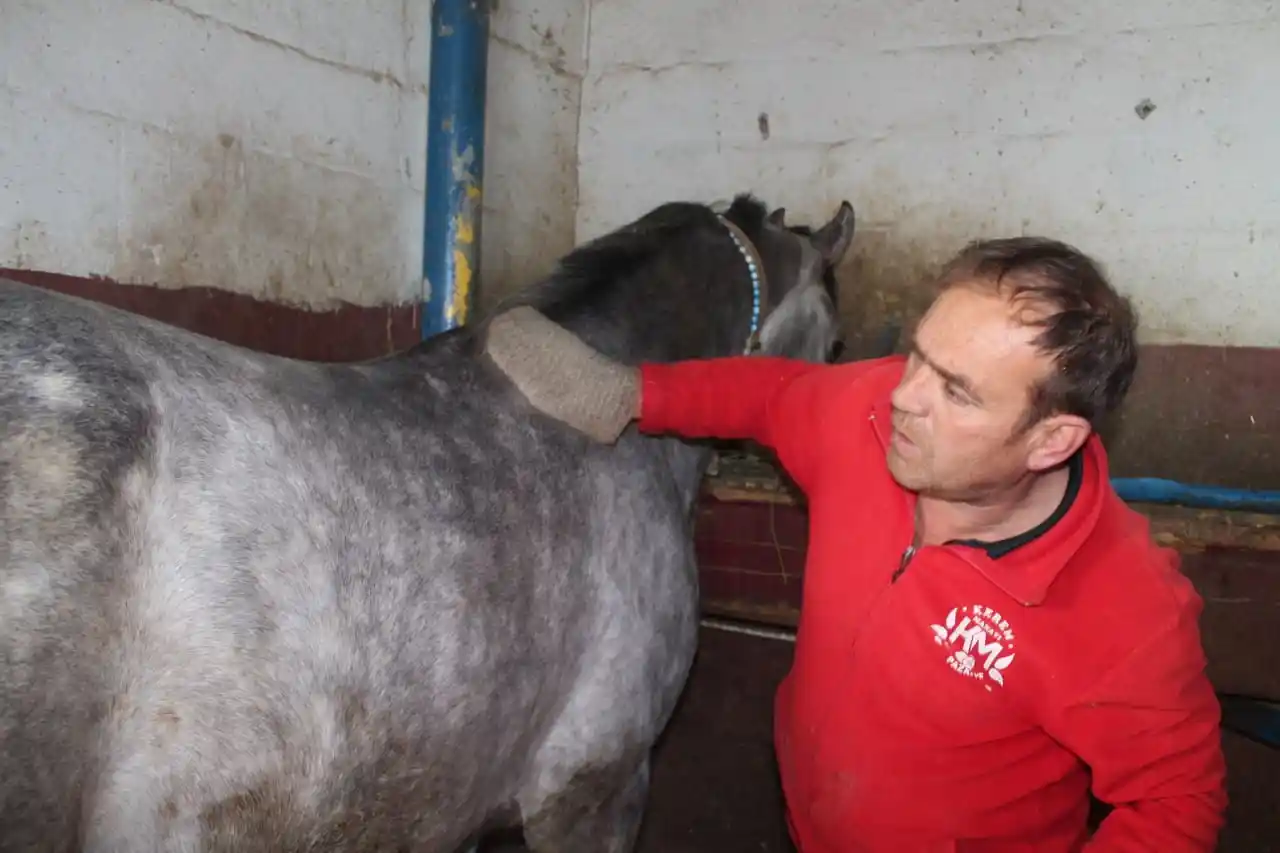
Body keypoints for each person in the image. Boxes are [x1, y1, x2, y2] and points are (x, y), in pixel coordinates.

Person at [482, 236, 1228, 852]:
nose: (905, 395)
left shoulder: (1126, 611)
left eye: (957, 391)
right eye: (918, 356)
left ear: (1052, 438)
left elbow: (1176, 803)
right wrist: (633, 393)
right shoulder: (869, 416)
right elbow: (773, 397)